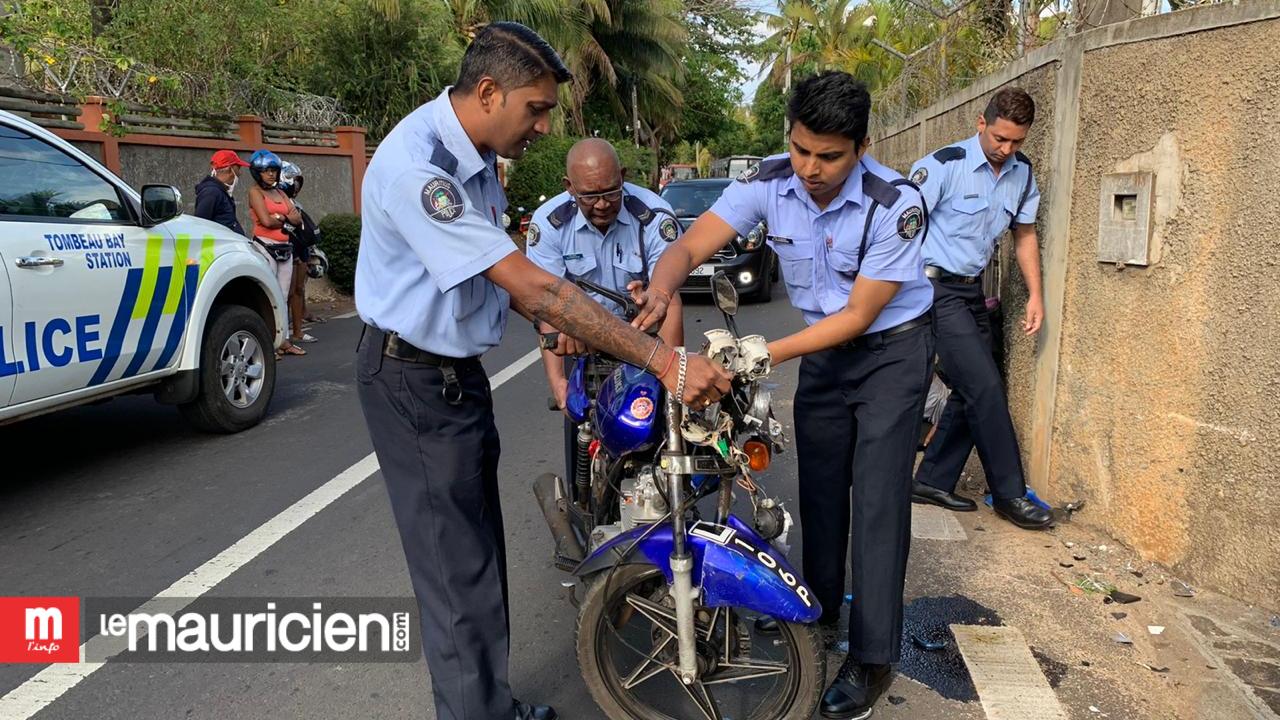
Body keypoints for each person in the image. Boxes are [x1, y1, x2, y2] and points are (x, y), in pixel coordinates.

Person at [353, 22, 731, 720]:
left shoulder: (472, 156)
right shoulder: (422, 169)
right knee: (455, 573)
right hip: (413, 383)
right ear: (489, 92)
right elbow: (536, 286)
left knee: (478, 560)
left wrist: (562, 325)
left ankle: (488, 706)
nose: (544, 125)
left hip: (451, 378)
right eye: (536, 109)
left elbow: (492, 282)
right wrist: (664, 361)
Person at [633, 71, 934, 720]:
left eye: (829, 156)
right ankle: (819, 617)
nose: (811, 168)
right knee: (820, 489)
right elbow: (689, 245)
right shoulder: (769, 181)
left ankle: (873, 659)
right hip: (824, 355)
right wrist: (663, 286)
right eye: (801, 150)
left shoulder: (896, 203)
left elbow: (858, 316)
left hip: (892, 353)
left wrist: (761, 353)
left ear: (861, 147)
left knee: (877, 502)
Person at [907, 87, 1052, 530]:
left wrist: (1036, 294)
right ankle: (1009, 493)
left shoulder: (1022, 174)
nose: (1006, 150)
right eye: (1000, 139)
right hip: (931, 290)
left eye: (1016, 142)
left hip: (972, 291)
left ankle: (931, 479)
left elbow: (1023, 234)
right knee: (986, 387)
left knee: (978, 388)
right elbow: (900, 233)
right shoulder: (940, 167)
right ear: (980, 123)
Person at [526, 137, 685, 478]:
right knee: (579, 426)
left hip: (644, 341)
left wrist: (676, 377)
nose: (602, 204)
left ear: (623, 177)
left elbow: (669, 299)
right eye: (589, 196)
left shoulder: (654, 217)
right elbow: (547, 307)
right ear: (569, 187)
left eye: (611, 192)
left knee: (662, 434)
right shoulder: (549, 224)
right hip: (580, 343)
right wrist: (558, 383)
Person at [247, 149, 305, 358]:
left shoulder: (280, 192)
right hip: (265, 246)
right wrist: (285, 216)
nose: (271, 174)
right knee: (267, 295)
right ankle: (268, 343)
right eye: (266, 171)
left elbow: (298, 218)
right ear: (257, 172)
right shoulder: (255, 192)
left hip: (285, 247)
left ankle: (284, 340)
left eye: (273, 170)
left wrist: (279, 216)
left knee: (283, 294)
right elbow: (266, 221)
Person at [278, 161, 319, 345]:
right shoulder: (277, 201)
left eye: (297, 181)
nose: (295, 185)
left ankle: (298, 331)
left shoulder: (295, 203)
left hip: (300, 248)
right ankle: (283, 334)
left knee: (299, 289)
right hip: (287, 248)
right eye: (292, 180)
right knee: (286, 292)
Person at [194, 149, 248, 235]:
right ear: (230, 169)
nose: (240, 173)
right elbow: (201, 225)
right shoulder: (211, 192)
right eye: (238, 169)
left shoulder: (221, 192)